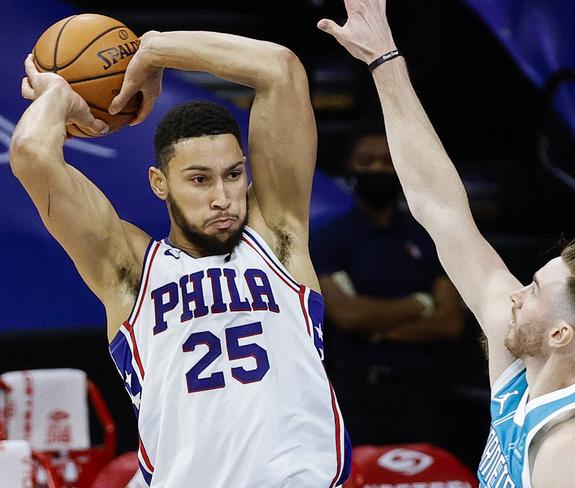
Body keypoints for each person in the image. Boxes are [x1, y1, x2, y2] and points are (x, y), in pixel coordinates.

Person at [317, 1, 575, 487]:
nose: (515, 293)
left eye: (533, 289)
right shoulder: (524, 369)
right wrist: (384, 61)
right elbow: (441, 210)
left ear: (560, 335)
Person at [10, 30, 350, 487]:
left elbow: (279, 68)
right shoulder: (130, 271)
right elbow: (31, 153)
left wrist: (154, 50)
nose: (223, 197)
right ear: (159, 183)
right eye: (199, 180)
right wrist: (55, 96)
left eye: (233, 175)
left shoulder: (277, 234)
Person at [311, 124, 465, 448]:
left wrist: (377, 328)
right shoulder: (329, 238)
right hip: (355, 394)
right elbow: (349, 316)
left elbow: (450, 322)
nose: (378, 169)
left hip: (424, 394)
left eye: (387, 161)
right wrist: (421, 304)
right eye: (367, 161)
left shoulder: (427, 234)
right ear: (350, 168)